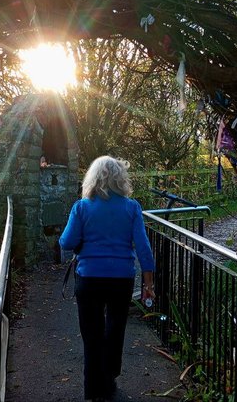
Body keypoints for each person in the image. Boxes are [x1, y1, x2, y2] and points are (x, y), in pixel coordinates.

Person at [59, 155, 156, 402]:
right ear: (120, 179)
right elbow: (143, 247)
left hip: (89, 278)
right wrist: (148, 283)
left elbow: (67, 242)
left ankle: (92, 390)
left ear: (93, 178)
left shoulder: (81, 207)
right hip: (121, 279)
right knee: (115, 329)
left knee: (91, 335)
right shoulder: (131, 207)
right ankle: (109, 378)